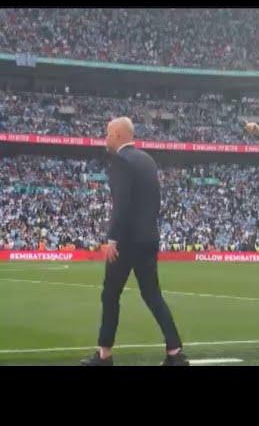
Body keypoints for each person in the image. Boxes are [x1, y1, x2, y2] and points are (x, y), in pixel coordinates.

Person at [80, 117, 188, 366]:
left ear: (118, 135)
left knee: (110, 295)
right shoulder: (147, 160)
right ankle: (175, 352)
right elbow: (155, 201)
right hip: (149, 238)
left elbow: (122, 203)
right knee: (152, 295)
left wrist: (112, 238)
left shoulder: (120, 161)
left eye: (107, 133)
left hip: (126, 241)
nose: (105, 138)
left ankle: (104, 354)